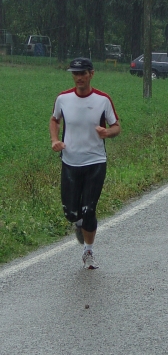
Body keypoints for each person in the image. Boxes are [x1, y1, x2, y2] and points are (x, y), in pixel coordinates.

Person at [49, 57, 121, 269]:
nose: (78, 77)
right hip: (70, 162)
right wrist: (55, 140)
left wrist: (107, 132)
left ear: (91, 74)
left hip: (95, 162)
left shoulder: (102, 100)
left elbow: (116, 126)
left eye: (82, 73)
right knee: (71, 213)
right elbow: (54, 120)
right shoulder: (63, 98)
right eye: (75, 73)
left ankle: (88, 251)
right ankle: (78, 222)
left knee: (89, 209)